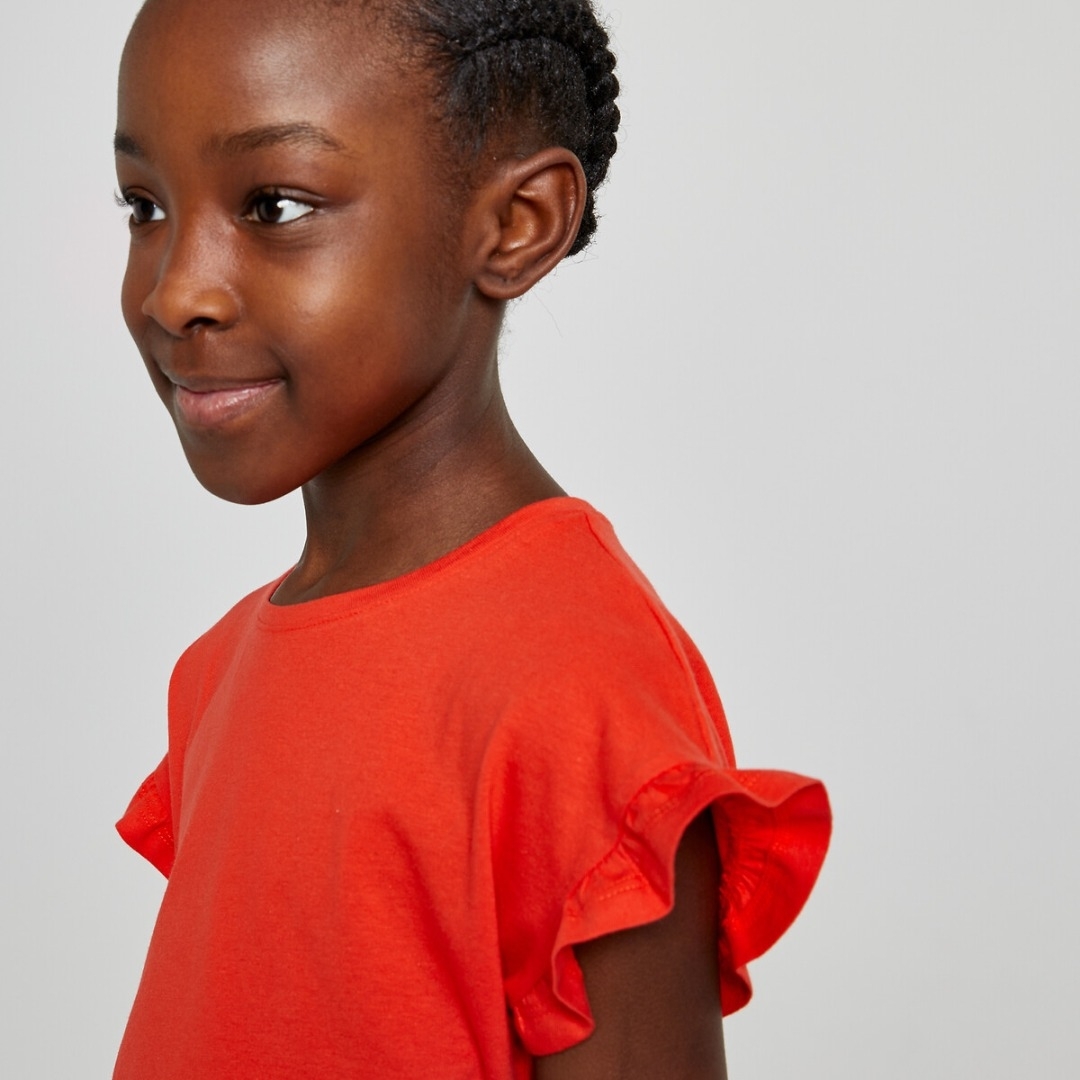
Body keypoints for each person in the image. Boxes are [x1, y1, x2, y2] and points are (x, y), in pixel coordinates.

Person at [111, 0, 831, 1077]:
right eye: (145, 205)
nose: (176, 293)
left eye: (275, 205)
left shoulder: (574, 688)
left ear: (515, 224)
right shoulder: (216, 671)